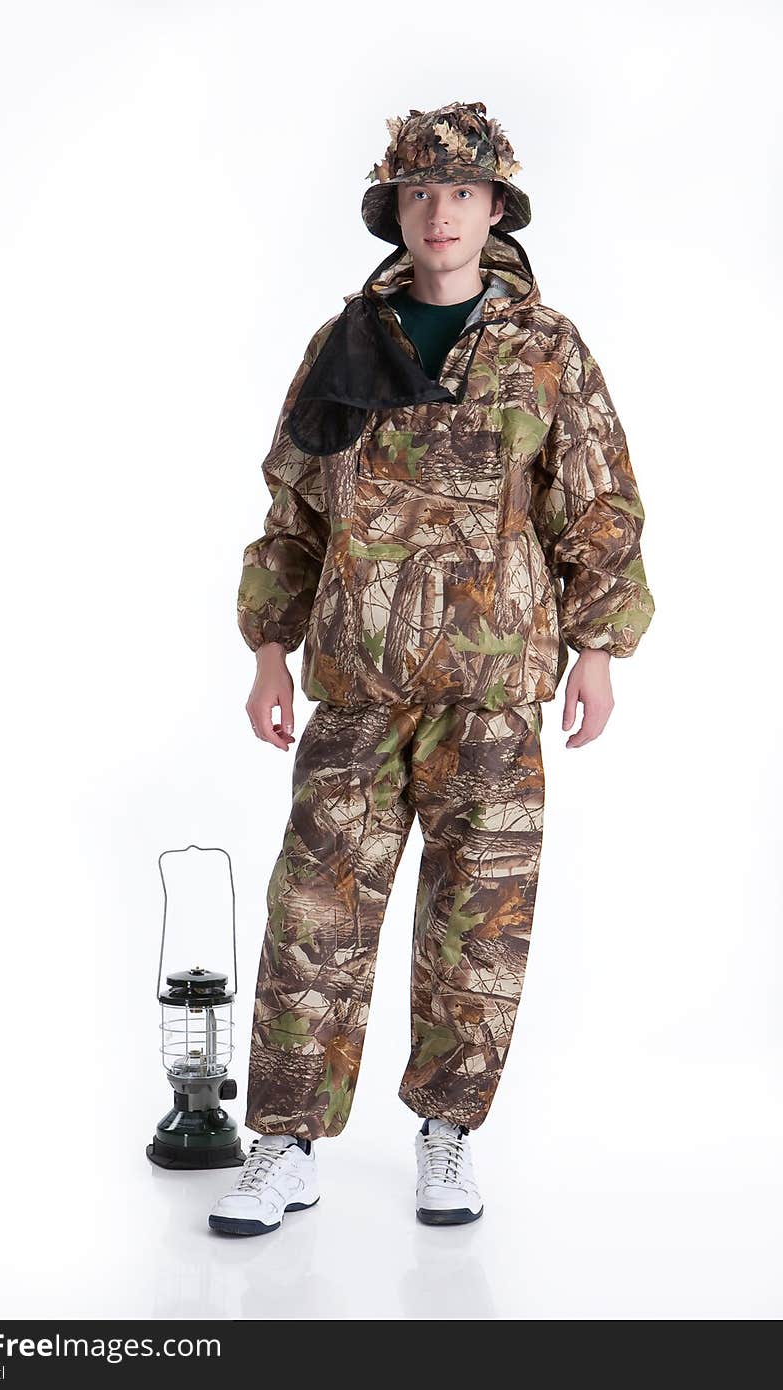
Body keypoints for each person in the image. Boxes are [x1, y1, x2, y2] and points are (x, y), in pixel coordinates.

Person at [210, 100, 655, 1237]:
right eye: (418, 192)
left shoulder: (543, 349)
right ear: (392, 210)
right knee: (313, 913)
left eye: (460, 192)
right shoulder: (342, 346)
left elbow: (596, 505)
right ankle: (286, 1144)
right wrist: (271, 645)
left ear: (495, 208)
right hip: (356, 686)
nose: (439, 211)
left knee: (480, 922)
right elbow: (292, 510)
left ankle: (446, 1136)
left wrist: (596, 651)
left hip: (495, 691)